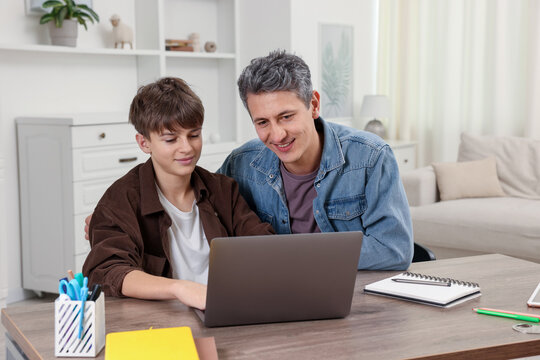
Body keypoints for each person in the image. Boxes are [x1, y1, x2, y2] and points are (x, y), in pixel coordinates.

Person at [82, 77, 274, 310]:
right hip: (160, 323)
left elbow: (263, 246)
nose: (187, 147)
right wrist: (179, 288)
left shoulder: (223, 190)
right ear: (144, 143)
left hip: (226, 313)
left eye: (194, 135)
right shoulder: (120, 200)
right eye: (171, 139)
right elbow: (108, 270)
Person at [217, 50, 413, 270]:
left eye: (286, 117)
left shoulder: (371, 157)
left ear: (314, 105)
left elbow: (394, 249)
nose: (277, 134)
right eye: (262, 122)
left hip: (351, 294)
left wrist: (300, 257)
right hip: (270, 293)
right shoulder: (240, 164)